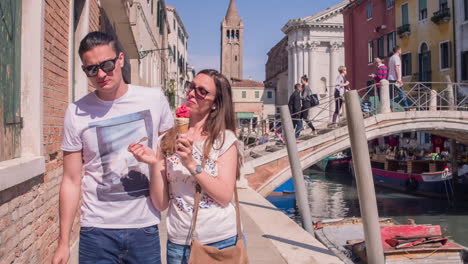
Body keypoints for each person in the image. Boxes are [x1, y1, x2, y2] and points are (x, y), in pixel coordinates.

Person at [52, 31, 174, 264]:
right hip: (96, 232)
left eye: (107, 65)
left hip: (144, 228)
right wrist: (63, 242)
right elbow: (71, 179)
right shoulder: (76, 112)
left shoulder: (154, 99)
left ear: (120, 59)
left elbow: (167, 158)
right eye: (91, 69)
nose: (101, 74)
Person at [128, 69, 245, 264]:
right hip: (179, 243)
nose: (192, 93)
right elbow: (161, 203)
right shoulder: (166, 140)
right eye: (191, 87)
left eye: (202, 91)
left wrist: (191, 163)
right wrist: (155, 164)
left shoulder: (224, 140)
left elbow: (225, 196)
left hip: (220, 242)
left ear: (215, 103)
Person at [388, 46, 409, 110]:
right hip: (396, 79)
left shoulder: (391, 58)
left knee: (391, 95)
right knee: (401, 93)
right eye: (400, 50)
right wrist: (399, 78)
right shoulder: (397, 58)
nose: (401, 51)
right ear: (398, 50)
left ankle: (390, 108)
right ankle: (407, 108)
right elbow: (397, 68)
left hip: (390, 78)